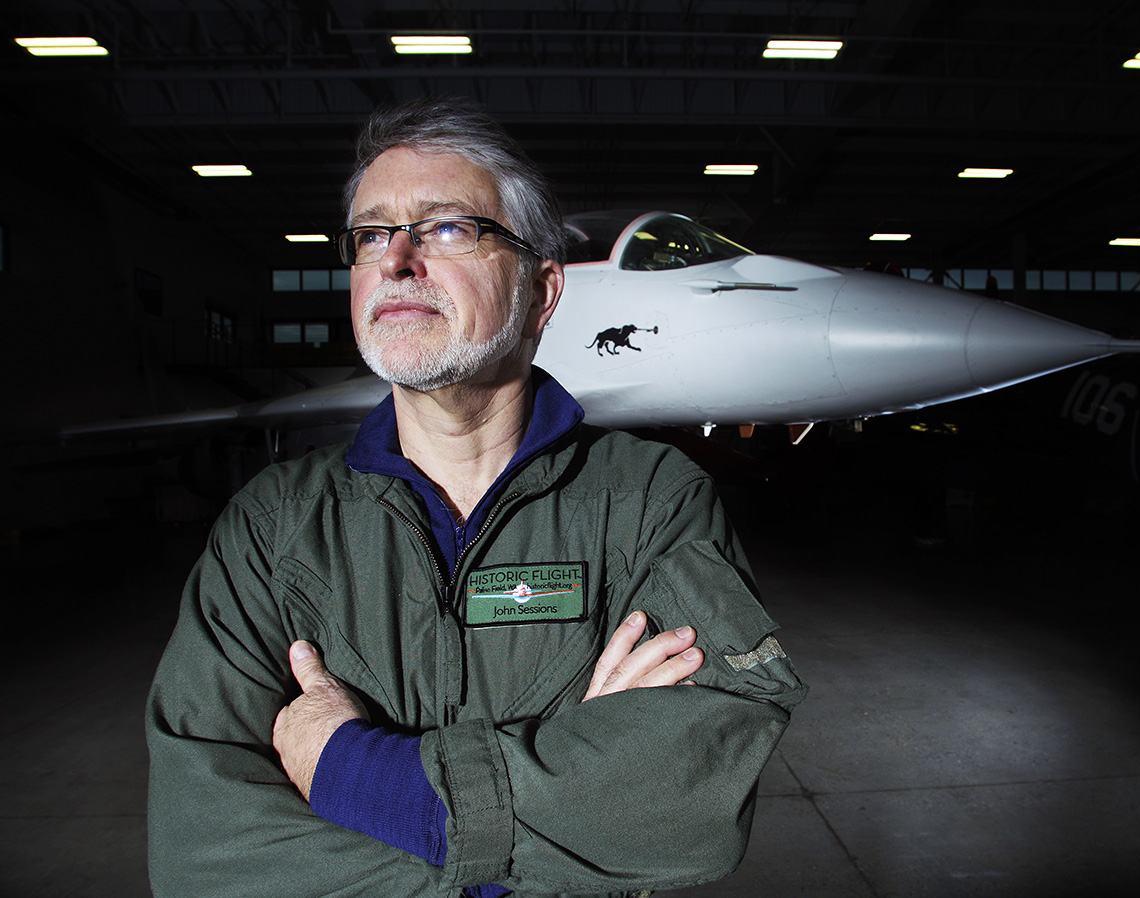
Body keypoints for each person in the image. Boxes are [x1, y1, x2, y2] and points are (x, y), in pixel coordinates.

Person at [146, 97, 806, 898]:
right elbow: (203, 852)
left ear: (542, 290)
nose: (395, 260)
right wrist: (553, 812)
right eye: (371, 234)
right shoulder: (274, 527)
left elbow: (685, 811)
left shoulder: (650, 502)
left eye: (448, 227)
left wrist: (350, 772)